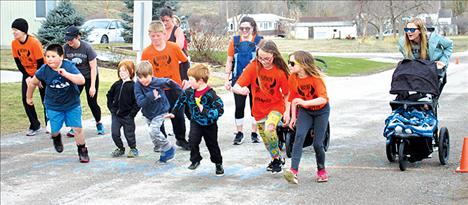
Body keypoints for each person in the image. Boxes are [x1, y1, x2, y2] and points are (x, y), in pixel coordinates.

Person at [232, 40, 289, 173]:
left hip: (276, 107)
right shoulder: (253, 67)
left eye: (267, 58)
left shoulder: (280, 71)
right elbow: (236, 86)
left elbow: (287, 94)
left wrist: (287, 112)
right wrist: (241, 90)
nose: (263, 61)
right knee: (267, 142)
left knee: (270, 129)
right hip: (258, 110)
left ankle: (276, 160)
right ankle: (277, 158)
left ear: (274, 55)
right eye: (260, 57)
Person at [26, 44, 89, 163]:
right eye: (47, 56)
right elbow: (33, 83)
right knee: (54, 129)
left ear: (61, 57)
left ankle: (82, 150)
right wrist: (28, 97)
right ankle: (56, 138)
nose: (49, 59)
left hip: (72, 104)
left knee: (77, 129)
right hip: (53, 105)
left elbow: (81, 80)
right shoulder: (44, 70)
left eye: (53, 56)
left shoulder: (68, 66)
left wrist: (65, 74)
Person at [141, 20, 190, 151]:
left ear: (164, 34)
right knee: (158, 116)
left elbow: (185, 62)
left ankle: (181, 139)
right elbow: (144, 72)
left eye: (158, 35)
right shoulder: (147, 52)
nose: (156, 38)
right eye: (153, 36)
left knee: (178, 114)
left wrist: (185, 78)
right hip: (157, 89)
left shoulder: (173, 47)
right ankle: (161, 141)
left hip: (174, 87)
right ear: (149, 35)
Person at [282, 51, 330, 184]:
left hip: (321, 111)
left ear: (302, 65)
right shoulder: (293, 77)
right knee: (299, 137)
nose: (289, 66)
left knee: (317, 144)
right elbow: (293, 98)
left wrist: (304, 103)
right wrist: (292, 117)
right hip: (305, 112)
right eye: (289, 62)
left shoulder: (316, 78)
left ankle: (321, 170)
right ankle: (293, 172)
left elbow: (323, 99)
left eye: (292, 63)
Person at [168, 64, 225, 176]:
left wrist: (205, 111)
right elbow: (180, 101)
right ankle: (195, 159)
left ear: (200, 81)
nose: (189, 82)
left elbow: (220, 110)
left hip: (209, 124)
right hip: (195, 122)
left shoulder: (211, 95)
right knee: (192, 141)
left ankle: (218, 163)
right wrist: (173, 112)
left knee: (212, 145)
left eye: (191, 80)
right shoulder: (189, 92)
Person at [224, 16, 263, 145]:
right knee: (239, 106)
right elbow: (229, 60)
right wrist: (227, 79)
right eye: (241, 28)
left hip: (256, 80)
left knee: (255, 106)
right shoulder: (234, 41)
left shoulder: (260, 41)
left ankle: (254, 133)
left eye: (247, 28)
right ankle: (239, 133)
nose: (244, 30)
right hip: (238, 79)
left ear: (253, 28)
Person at [134, 61, 180, 163]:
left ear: (151, 74)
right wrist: (151, 95)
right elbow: (140, 102)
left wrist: (181, 92)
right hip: (148, 113)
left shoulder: (158, 82)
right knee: (152, 133)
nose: (144, 80)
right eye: (140, 77)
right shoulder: (138, 86)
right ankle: (159, 146)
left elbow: (171, 82)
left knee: (153, 130)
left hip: (161, 111)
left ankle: (169, 149)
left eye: (146, 77)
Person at [63, 26, 104, 137]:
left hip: (90, 76)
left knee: (92, 101)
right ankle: (74, 127)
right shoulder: (66, 48)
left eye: (71, 39)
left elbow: (93, 68)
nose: (69, 41)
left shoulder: (87, 48)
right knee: (73, 101)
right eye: (67, 39)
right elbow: (65, 65)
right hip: (76, 78)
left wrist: (92, 86)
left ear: (78, 37)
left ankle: (98, 122)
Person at [11, 18, 47, 136]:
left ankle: (50, 124)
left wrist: (38, 78)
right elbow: (18, 62)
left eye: (16, 30)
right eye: (13, 30)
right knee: (26, 98)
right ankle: (34, 125)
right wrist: (27, 77)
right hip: (28, 73)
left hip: (41, 72)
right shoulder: (14, 44)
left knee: (45, 99)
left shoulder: (34, 42)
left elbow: (41, 62)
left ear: (23, 31)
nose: (14, 32)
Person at [398, 18, 453, 93]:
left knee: (429, 99)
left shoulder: (433, 38)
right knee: (418, 100)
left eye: (412, 30)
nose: (409, 32)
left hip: (435, 73)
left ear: (420, 30)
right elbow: (407, 57)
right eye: (407, 29)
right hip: (419, 74)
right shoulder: (403, 42)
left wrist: (443, 61)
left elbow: (449, 45)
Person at [106, 60, 140, 158]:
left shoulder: (134, 86)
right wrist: (111, 108)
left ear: (131, 71)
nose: (122, 73)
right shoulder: (116, 84)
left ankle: (133, 148)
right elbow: (109, 95)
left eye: (124, 71)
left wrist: (132, 114)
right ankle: (120, 148)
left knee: (129, 134)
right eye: (120, 71)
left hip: (127, 116)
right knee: (114, 133)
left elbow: (137, 102)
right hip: (116, 115)